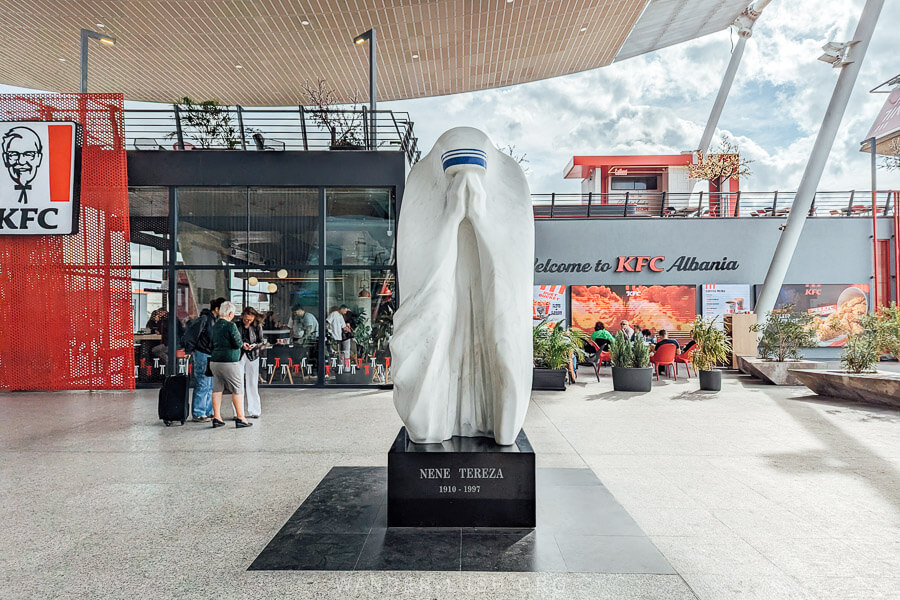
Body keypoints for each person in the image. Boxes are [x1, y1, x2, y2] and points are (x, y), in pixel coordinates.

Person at [209, 301, 252, 429]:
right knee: (237, 389)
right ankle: (241, 418)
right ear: (230, 313)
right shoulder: (231, 325)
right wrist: (242, 344)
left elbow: (212, 343)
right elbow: (237, 343)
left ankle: (216, 418)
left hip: (215, 361)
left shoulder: (215, 325)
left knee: (217, 389)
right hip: (229, 362)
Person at [182, 297, 225, 422]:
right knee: (203, 383)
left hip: (210, 354)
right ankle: (199, 412)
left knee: (210, 384)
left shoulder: (214, 320)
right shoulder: (205, 319)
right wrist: (189, 350)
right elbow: (192, 335)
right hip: (202, 354)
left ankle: (208, 411)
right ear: (217, 309)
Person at [239, 306, 264, 419]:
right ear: (242, 316)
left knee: (252, 383)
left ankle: (254, 410)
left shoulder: (257, 326)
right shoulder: (237, 325)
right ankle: (238, 412)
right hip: (240, 354)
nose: (247, 321)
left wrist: (254, 346)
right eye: (245, 319)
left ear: (254, 318)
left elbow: (261, 341)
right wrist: (242, 344)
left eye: (250, 320)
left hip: (253, 355)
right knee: (238, 383)